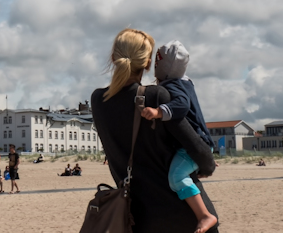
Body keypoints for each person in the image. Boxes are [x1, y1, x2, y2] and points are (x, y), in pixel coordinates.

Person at [91, 28, 219, 233]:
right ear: (148, 63)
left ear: (114, 57)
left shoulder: (98, 100)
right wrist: (206, 166)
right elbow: (200, 150)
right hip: (184, 217)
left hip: (137, 219)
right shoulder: (156, 97)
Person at [139, 40, 217, 233]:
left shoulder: (173, 85)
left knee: (176, 177)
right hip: (200, 141)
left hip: (193, 143)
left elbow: (181, 105)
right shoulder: (185, 82)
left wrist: (159, 112)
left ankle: (204, 215)